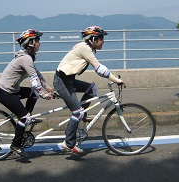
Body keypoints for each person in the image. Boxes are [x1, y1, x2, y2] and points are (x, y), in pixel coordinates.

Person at [53, 26, 125, 154]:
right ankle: (68, 143)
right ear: (93, 39)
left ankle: (83, 115)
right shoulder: (84, 48)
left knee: (91, 89)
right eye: (101, 39)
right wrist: (116, 79)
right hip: (62, 82)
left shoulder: (87, 48)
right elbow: (99, 68)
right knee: (77, 112)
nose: (103, 41)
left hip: (68, 80)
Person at [0, 29, 53, 157]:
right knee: (24, 116)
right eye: (37, 41)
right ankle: (16, 145)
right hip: (5, 92)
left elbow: (38, 74)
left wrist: (48, 88)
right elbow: (33, 79)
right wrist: (44, 95)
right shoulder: (26, 58)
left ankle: (26, 118)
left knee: (33, 94)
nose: (39, 43)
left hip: (11, 89)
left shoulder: (27, 57)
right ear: (31, 42)